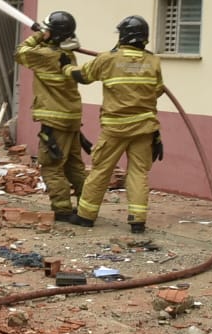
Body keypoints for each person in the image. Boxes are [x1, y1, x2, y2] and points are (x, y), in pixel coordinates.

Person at [63, 15, 164, 233]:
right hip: (145, 128)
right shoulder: (153, 61)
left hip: (115, 128)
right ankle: (137, 221)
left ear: (124, 36)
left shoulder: (108, 59)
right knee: (138, 173)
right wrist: (157, 134)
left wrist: (65, 67)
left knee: (101, 170)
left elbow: (83, 76)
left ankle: (85, 216)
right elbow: (157, 91)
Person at [15, 11, 88, 222]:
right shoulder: (68, 55)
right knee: (74, 166)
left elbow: (20, 52)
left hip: (55, 120)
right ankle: (88, 206)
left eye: (47, 29)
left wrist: (38, 35)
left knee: (51, 166)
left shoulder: (46, 56)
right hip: (71, 118)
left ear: (52, 34)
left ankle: (62, 210)